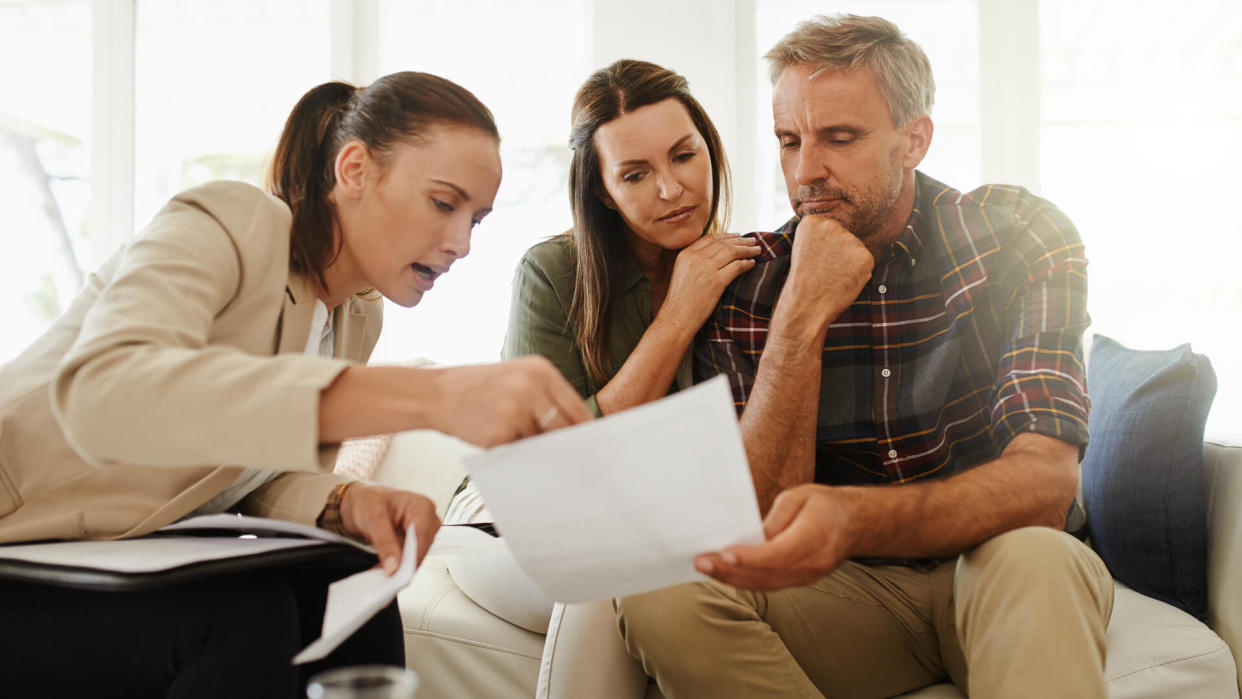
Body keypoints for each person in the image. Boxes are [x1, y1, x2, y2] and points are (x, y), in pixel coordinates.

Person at [0, 71, 589, 698]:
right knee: (245, 617)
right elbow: (103, 392)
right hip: (21, 539)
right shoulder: (231, 220)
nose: (461, 243)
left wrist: (343, 502)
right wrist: (431, 396)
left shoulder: (357, 312)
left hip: (111, 552)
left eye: (478, 218)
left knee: (351, 586)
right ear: (355, 169)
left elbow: (239, 472)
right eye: (444, 203)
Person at [615, 15, 1114, 699]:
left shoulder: (1015, 234)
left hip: (998, 564)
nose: (806, 170)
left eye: (840, 138)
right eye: (789, 141)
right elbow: (758, 526)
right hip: (848, 596)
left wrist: (855, 515)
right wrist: (799, 318)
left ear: (914, 139)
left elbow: (1044, 487)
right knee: (656, 587)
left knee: (1035, 555)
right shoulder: (748, 282)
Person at [440, 59, 760, 632]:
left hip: (646, 517)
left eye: (684, 156)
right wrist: (677, 318)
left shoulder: (738, 271)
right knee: (611, 591)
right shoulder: (553, 272)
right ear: (604, 192)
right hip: (509, 511)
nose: (671, 188)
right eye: (634, 175)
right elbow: (549, 466)